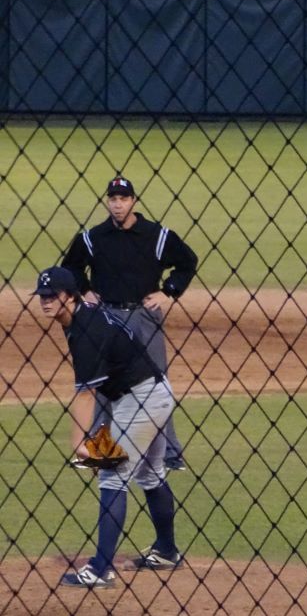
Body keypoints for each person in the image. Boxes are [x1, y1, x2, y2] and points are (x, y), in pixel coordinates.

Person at [32, 266, 183, 588]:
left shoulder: (87, 329)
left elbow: (85, 394)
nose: (45, 302)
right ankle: (167, 550)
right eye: (42, 296)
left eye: (51, 295)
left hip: (141, 399)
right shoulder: (81, 317)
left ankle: (100, 569)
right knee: (149, 473)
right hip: (151, 394)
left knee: (112, 475)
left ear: (69, 296)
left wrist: (78, 443)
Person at [62, 176, 197, 471]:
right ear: (107, 201)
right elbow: (70, 266)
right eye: (113, 199)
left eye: (123, 199)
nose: (117, 204)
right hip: (106, 319)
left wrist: (168, 291)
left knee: (156, 383)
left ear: (133, 201)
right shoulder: (94, 237)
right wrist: (85, 291)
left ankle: (169, 454)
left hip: (143, 317)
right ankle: (96, 449)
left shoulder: (156, 235)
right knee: (103, 383)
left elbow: (187, 261)